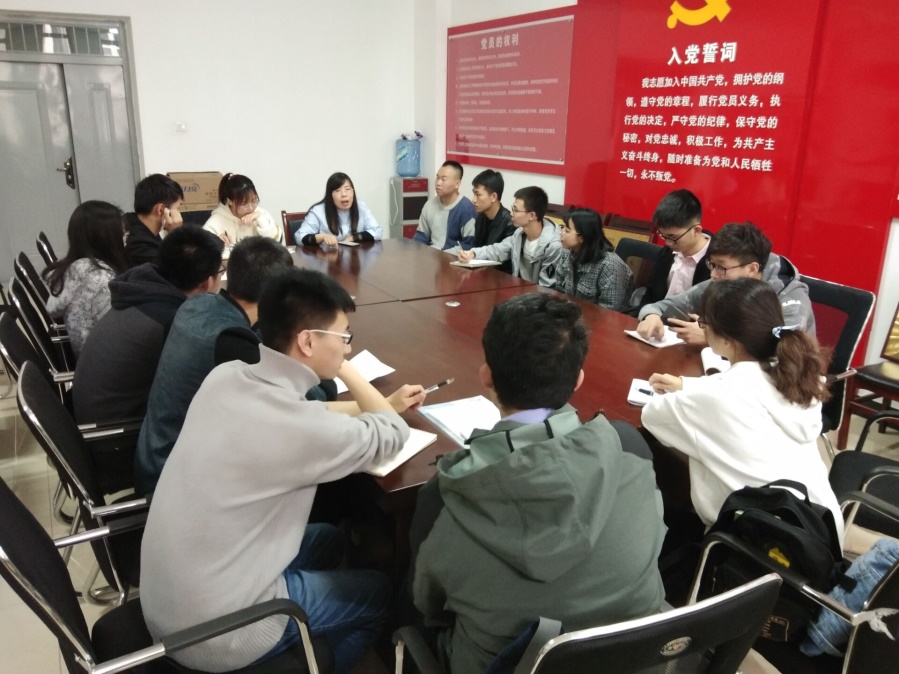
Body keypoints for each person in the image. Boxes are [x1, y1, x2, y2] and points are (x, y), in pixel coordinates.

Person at [140, 268, 426, 673]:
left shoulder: (227, 377)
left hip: (170, 602)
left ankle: (310, 632)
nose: (347, 346)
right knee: (377, 593)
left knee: (328, 540)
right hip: (218, 633)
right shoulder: (299, 431)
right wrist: (345, 369)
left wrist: (384, 402)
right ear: (307, 341)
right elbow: (392, 433)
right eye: (344, 336)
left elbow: (307, 413)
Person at [411, 292, 667, 674]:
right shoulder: (630, 449)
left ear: (486, 376)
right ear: (578, 379)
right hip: (634, 660)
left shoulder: (448, 495)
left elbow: (428, 607)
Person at [641, 278, 842, 540]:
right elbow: (747, 390)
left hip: (756, 545)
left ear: (727, 341)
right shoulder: (794, 377)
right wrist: (687, 385)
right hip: (820, 531)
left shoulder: (718, 395)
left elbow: (653, 416)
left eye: (705, 323)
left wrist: (692, 392)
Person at [134, 237, 295, 496]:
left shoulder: (196, 304)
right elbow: (306, 396)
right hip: (177, 484)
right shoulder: (232, 342)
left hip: (155, 455)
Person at [73, 226, 224, 425]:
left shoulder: (142, 292)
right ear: (207, 283)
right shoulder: (171, 322)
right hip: (118, 432)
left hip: (93, 416)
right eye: (221, 272)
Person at [637, 221, 815, 346]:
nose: (713, 274)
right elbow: (661, 307)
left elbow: (782, 353)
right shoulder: (723, 282)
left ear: (752, 269)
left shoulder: (790, 297)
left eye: (721, 267)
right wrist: (651, 316)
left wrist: (712, 338)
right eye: (712, 265)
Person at [43, 200, 131, 356]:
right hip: (104, 362)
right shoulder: (100, 282)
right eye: (122, 233)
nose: (126, 238)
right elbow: (120, 336)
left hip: (88, 358)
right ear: (107, 239)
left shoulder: (75, 268)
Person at [457, 186, 561, 287]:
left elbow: (546, 288)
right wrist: (473, 253)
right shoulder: (519, 234)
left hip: (538, 297)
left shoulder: (553, 246)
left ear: (532, 216)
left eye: (516, 210)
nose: (511, 213)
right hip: (519, 292)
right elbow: (498, 250)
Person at [641, 189, 711, 306]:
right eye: (664, 236)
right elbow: (650, 295)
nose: (668, 243)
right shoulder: (667, 253)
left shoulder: (716, 263)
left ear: (696, 231)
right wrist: (647, 313)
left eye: (673, 237)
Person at [556, 207, 634, 311]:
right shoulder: (568, 253)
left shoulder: (609, 265)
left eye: (567, 230)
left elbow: (609, 310)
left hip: (599, 318)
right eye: (562, 228)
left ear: (582, 237)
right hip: (571, 313)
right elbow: (559, 290)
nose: (561, 233)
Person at [297, 172, 382, 245]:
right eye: (338, 190)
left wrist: (353, 238)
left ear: (353, 192)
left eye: (347, 189)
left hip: (355, 256)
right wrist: (323, 237)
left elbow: (377, 231)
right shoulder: (318, 211)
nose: (344, 194)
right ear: (330, 195)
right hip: (327, 256)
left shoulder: (361, 207)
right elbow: (300, 237)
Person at [203, 173, 282, 246]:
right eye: (243, 203)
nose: (250, 208)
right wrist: (216, 242)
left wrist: (261, 219)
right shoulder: (216, 220)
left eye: (254, 201)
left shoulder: (260, 213)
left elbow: (277, 242)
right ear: (229, 201)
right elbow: (201, 248)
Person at [413, 161, 476, 250]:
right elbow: (420, 237)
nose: (438, 183)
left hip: (454, 257)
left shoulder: (466, 209)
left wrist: (443, 254)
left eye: (443, 179)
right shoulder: (430, 205)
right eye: (437, 178)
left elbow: (469, 245)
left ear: (457, 184)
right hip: (431, 255)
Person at [460, 169, 514, 271]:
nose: (473, 200)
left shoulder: (510, 223)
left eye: (478, 195)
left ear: (493, 197)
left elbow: (505, 261)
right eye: (474, 194)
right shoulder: (480, 217)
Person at [125, 173, 184, 267]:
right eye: (177, 208)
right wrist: (176, 234)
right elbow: (178, 269)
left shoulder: (130, 222)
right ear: (161, 209)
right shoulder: (140, 246)